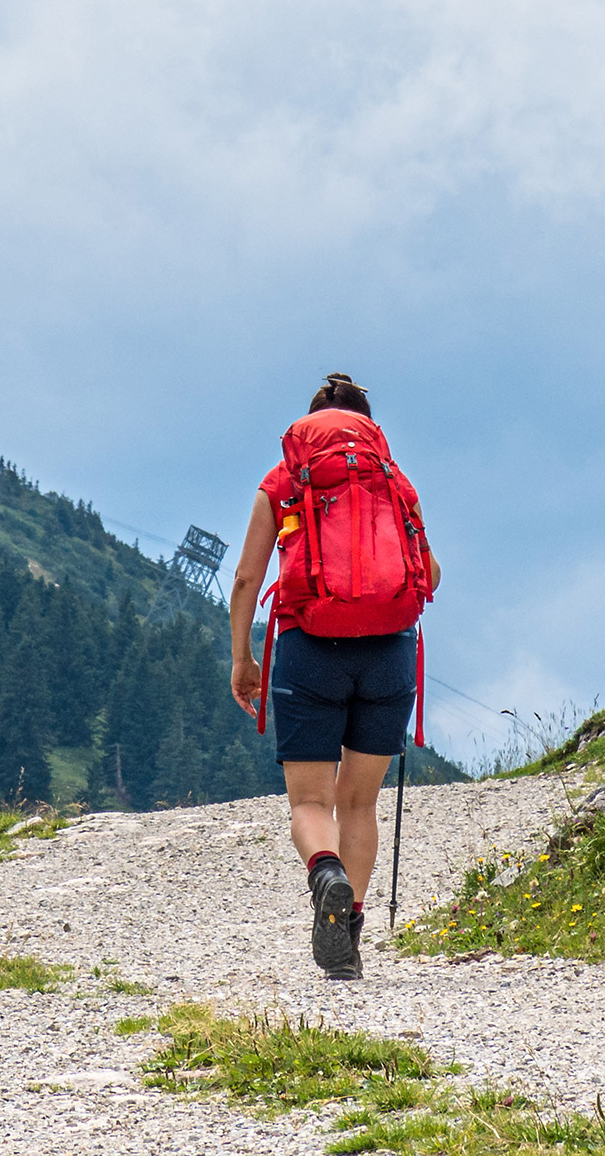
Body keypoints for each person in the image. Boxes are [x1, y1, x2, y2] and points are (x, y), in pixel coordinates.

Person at [227, 373, 442, 979]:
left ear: (310, 424)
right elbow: (432, 574)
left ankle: (325, 873)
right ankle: (348, 931)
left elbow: (247, 579)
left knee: (312, 800)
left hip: (308, 651)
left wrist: (243, 658)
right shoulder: (394, 481)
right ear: (370, 426)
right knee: (360, 802)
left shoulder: (283, 482)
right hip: (389, 656)